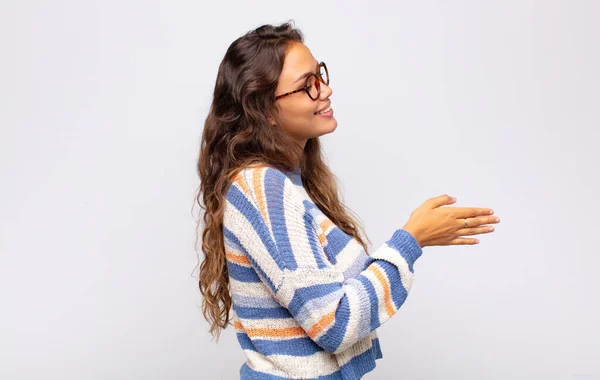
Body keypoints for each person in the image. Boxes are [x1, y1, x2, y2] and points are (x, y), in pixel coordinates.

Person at [195, 21, 500, 380]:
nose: (325, 90)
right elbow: (334, 324)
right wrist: (411, 240)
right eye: (306, 85)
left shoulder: (288, 183)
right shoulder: (263, 188)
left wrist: (415, 239)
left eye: (319, 76)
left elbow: (328, 302)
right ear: (264, 110)